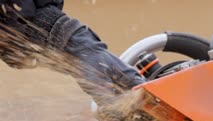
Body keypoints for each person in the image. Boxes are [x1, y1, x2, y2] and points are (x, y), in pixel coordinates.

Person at [0, 0, 144, 97]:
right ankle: (138, 102)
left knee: (90, 73)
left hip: (39, 31)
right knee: (105, 69)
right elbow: (22, 11)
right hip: (46, 25)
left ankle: (124, 113)